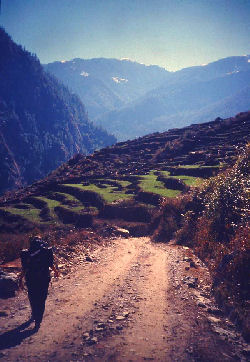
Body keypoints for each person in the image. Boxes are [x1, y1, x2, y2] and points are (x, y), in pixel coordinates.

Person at [19, 235, 59, 330]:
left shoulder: (27, 253)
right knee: (41, 300)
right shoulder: (46, 252)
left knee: (32, 297)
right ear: (41, 241)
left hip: (31, 279)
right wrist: (56, 272)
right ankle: (38, 321)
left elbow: (24, 269)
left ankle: (34, 313)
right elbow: (50, 265)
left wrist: (20, 279)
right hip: (43, 278)